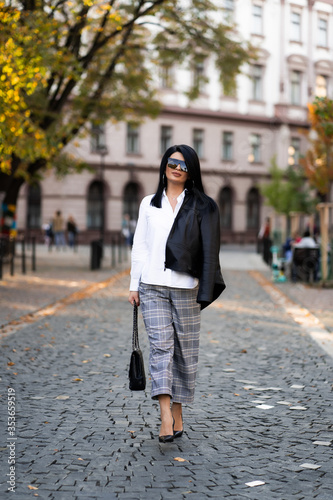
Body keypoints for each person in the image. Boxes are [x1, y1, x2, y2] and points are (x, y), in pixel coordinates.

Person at [128, 145, 225, 443]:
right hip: (152, 286)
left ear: (191, 171)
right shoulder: (149, 203)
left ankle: (178, 411)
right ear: (164, 166)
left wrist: (204, 284)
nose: (176, 168)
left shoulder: (202, 205)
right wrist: (134, 283)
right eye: (172, 162)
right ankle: (166, 417)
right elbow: (140, 245)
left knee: (185, 354)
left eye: (183, 165)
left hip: (186, 288)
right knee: (161, 349)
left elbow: (210, 248)